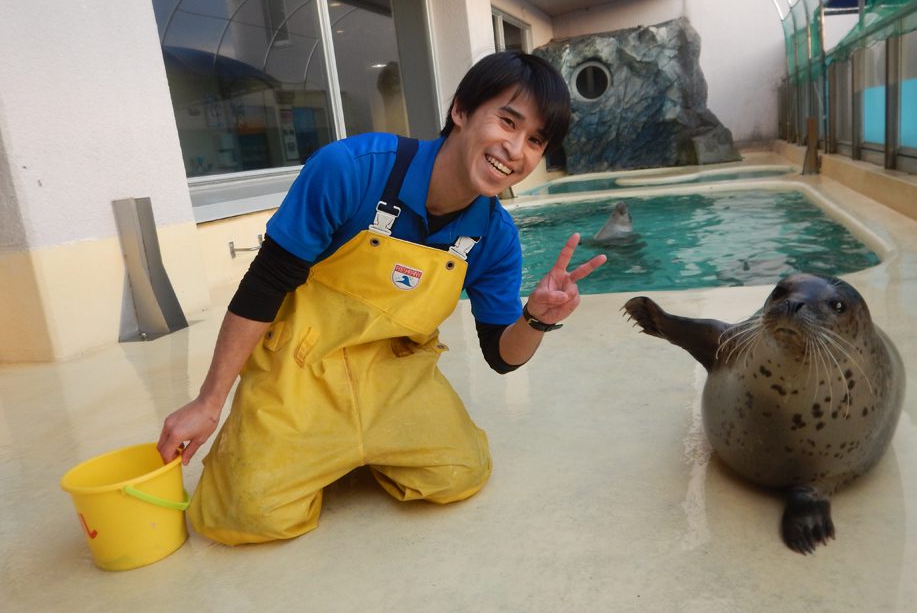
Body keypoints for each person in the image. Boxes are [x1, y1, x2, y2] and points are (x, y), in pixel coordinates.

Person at [157, 51, 606, 545]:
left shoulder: (494, 238)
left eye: (536, 140)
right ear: (460, 111)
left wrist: (536, 319)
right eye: (507, 121)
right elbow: (264, 286)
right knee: (245, 515)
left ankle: (351, 449)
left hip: (397, 376)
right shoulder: (350, 170)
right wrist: (209, 399)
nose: (515, 149)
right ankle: (319, 446)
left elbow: (501, 356)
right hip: (300, 369)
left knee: (462, 474)